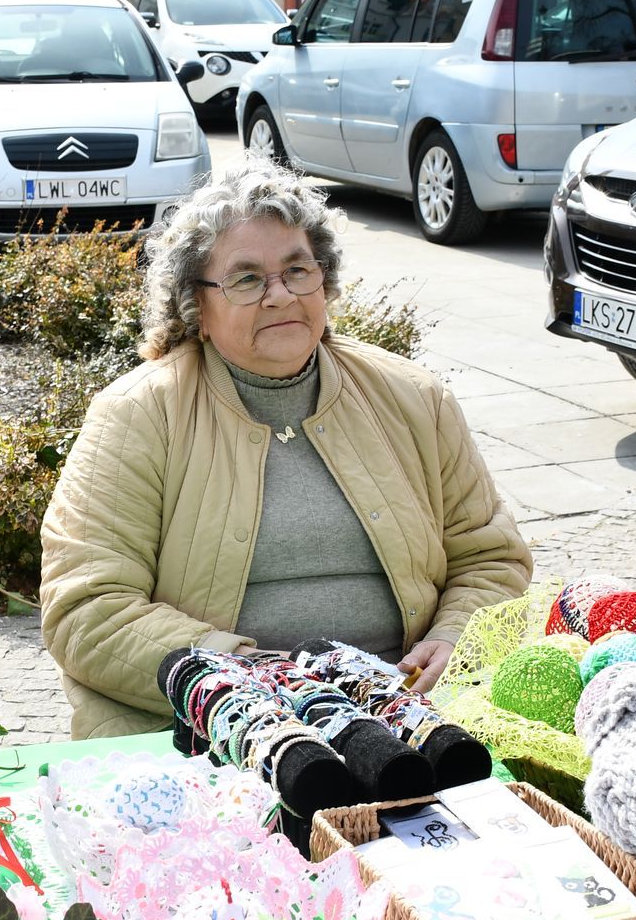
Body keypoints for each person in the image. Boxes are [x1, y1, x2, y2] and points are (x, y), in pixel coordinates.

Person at [39, 159, 532, 738]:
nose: (279, 295)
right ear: (195, 307)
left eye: (297, 270)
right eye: (246, 279)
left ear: (324, 281)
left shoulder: (414, 397)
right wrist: (239, 677)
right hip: (215, 727)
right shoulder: (138, 416)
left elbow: (490, 559)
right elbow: (88, 610)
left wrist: (456, 638)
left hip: (409, 712)